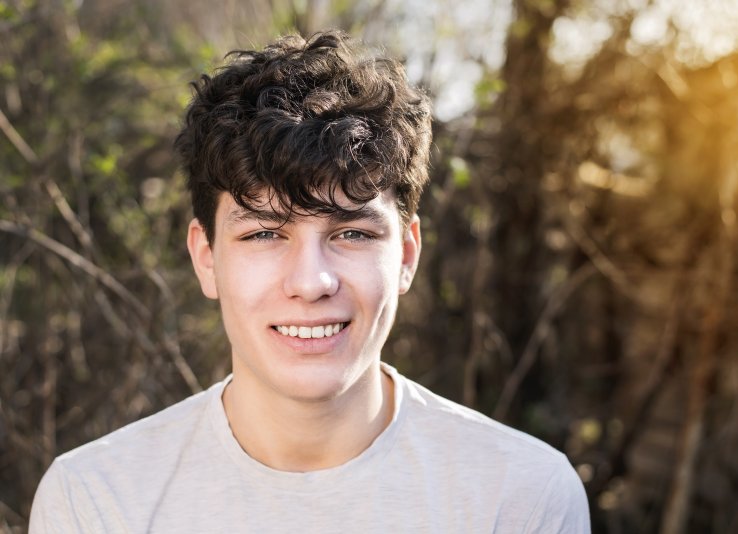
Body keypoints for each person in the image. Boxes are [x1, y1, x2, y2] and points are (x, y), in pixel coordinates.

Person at [29, 30, 590, 533]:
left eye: (351, 234)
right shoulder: (94, 502)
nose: (312, 282)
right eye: (264, 235)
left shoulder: (521, 497)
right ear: (206, 258)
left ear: (406, 255)